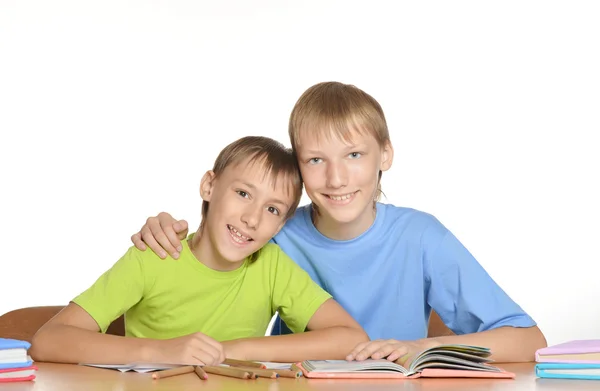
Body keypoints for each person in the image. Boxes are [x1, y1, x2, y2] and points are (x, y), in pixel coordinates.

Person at [131, 82, 547, 365]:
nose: (336, 179)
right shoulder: (276, 232)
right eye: (315, 160)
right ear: (297, 169)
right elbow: (213, 254)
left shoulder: (422, 237)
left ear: (385, 155)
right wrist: (166, 227)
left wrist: (420, 346)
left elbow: (529, 341)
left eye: (354, 155)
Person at [30, 136, 368, 366]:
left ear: (280, 225)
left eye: (272, 210)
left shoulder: (271, 266)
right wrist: (162, 352)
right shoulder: (155, 255)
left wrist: (232, 350)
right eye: (243, 194)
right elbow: (48, 341)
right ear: (209, 185)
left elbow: (351, 338)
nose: (252, 219)